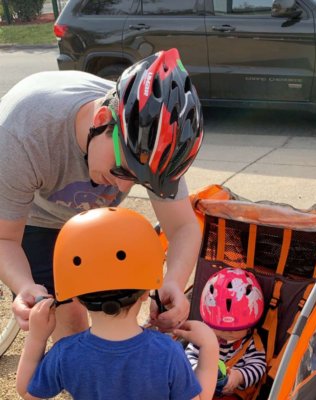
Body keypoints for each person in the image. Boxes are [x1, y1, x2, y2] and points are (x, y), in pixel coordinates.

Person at [0, 48, 203, 341]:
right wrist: (24, 285)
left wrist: (174, 279)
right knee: (69, 321)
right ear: (103, 118)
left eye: (138, 180)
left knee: (119, 313)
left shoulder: (154, 140)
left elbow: (183, 226)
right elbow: (5, 239)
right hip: (36, 217)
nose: (121, 189)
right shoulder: (22, 136)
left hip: (92, 218)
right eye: (122, 170)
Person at [16, 207, 219, 400]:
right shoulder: (168, 352)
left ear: (75, 296)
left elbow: (27, 391)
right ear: (145, 292)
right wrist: (209, 346)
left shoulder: (65, 354)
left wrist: (37, 336)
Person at [186, 268, 267, 397]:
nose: (228, 332)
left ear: (250, 326)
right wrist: (198, 370)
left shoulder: (250, 343)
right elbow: (189, 356)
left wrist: (239, 376)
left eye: (236, 329)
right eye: (220, 327)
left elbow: (258, 366)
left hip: (231, 393)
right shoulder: (203, 336)